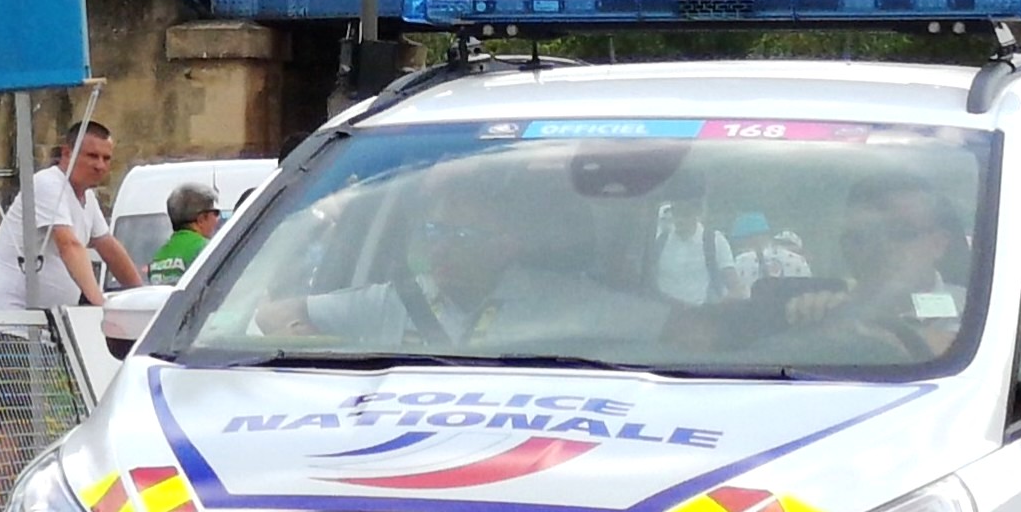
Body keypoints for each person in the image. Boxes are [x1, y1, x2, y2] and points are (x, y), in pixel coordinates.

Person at [0, 121, 144, 512]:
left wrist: (145, 297)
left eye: (106, 158)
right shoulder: (48, 186)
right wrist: (102, 304)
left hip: (36, 330)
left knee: (4, 428)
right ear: (66, 154)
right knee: (11, 428)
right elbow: (69, 245)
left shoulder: (85, 201)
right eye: (92, 156)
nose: (101, 166)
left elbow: (107, 246)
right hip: (9, 326)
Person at [254, 169, 666, 348]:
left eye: (464, 235)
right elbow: (271, 316)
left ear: (507, 244)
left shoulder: (566, 301)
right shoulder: (392, 301)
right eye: (436, 232)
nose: (442, 247)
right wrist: (316, 347)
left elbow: (675, 326)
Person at [778, 174, 967, 356]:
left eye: (900, 232)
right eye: (863, 237)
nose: (881, 247)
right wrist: (814, 325)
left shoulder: (979, 317)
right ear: (846, 248)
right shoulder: (826, 313)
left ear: (938, 244)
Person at [651, 177, 737, 305]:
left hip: (700, 317)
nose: (679, 219)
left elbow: (736, 287)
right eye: (676, 212)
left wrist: (719, 310)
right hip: (662, 317)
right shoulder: (658, 241)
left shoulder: (715, 242)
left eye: (686, 213)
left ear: (698, 212)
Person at [146, 183, 220, 285]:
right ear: (201, 219)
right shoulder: (206, 249)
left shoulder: (158, 256)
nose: (217, 220)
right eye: (215, 213)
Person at [727, 211, 811, 297]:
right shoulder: (799, 261)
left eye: (740, 243)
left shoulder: (740, 262)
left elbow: (731, 296)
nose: (740, 248)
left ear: (750, 239)